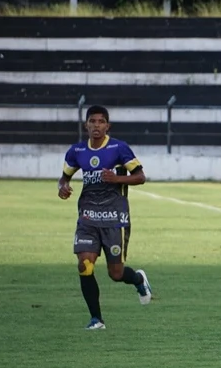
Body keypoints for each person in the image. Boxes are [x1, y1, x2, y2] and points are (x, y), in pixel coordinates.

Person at [58, 105, 153, 330]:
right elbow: (64, 178)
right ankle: (96, 319)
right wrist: (63, 187)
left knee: (116, 273)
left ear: (107, 126)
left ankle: (138, 279)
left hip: (114, 217)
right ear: (86, 125)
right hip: (88, 217)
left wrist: (116, 179)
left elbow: (140, 177)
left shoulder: (119, 148)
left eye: (101, 122)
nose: (96, 125)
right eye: (92, 121)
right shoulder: (76, 151)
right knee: (85, 265)